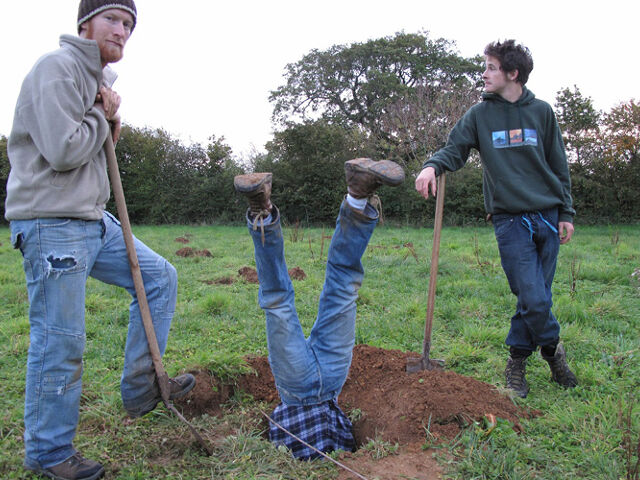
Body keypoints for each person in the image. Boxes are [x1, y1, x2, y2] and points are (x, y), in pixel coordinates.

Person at [5, 2, 195, 478]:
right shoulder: (57, 69)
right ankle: (50, 454)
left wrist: (105, 114)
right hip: (53, 221)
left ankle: (140, 387)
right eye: (113, 19)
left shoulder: (98, 81)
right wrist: (101, 117)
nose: (122, 31)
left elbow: (91, 143)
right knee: (60, 341)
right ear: (84, 24)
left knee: (159, 278)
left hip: (92, 217)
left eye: (129, 25)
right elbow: (64, 149)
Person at [415, 39, 578, 399]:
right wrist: (431, 165)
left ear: (512, 73)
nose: (484, 74)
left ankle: (517, 361)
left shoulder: (542, 112)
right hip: (509, 220)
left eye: (491, 67)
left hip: (548, 217)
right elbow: (454, 149)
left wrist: (565, 212)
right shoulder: (479, 115)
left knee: (536, 297)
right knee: (534, 299)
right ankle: (552, 352)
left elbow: (559, 164)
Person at [234, 158, 404, 459]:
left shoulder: (281, 436)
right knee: (340, 289)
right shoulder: (333, 433)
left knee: (278, 301)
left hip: (297, 386)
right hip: (333, 376)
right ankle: (357, 195)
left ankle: (262, 210)